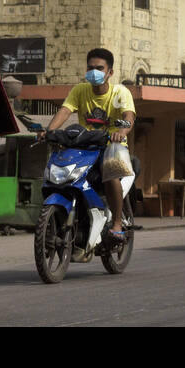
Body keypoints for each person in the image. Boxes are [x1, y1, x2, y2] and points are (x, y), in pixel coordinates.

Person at [47, 48, 136, 242]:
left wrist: (121, 133)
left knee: (109, 172)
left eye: (99, 68)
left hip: (113, 147)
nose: (93, 72)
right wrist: (49, 131)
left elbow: (128, 117)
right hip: (85, 147)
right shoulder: (80, 90)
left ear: (110, 73)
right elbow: (64, 111)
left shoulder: (120, 92)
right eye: (90, 68)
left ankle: (117, 224)